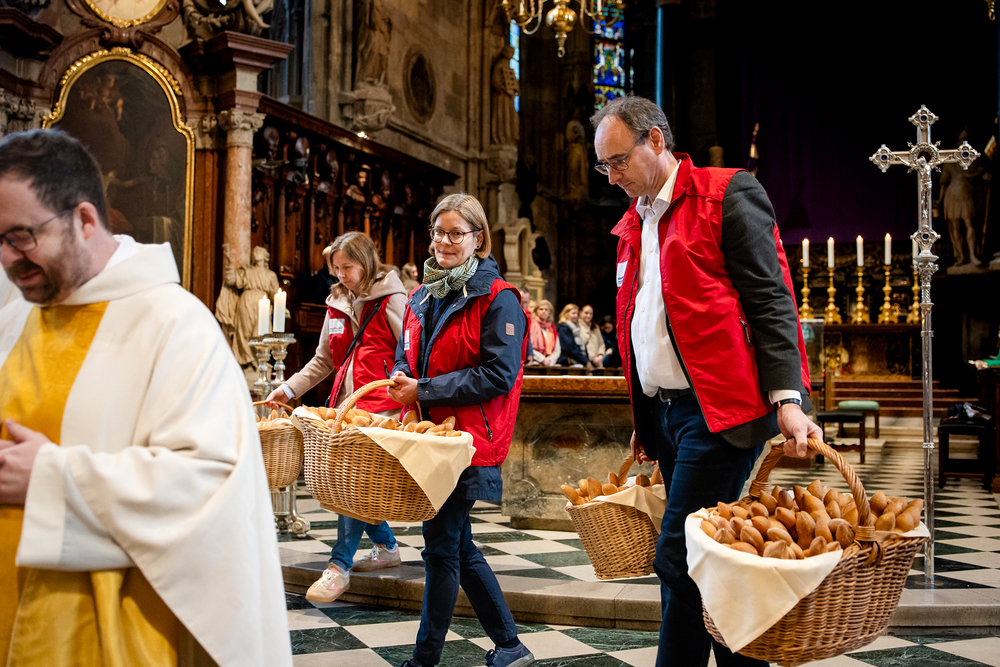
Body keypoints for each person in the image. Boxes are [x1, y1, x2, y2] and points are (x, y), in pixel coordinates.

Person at [0, 129, 290, 666]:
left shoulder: (174, 325)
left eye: (21, 236)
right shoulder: (16, 317)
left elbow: (208, 484)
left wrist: (50, 478)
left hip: (109, 635)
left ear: (85, 220)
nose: (8, 258)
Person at [592, 96, 819, 667]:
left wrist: (788, 399)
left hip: (718, 411)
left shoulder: (726, 194)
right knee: (705, 561)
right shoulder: (634, 222)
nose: (612, 176)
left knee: (679, 556)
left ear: (656, 140)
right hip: (666, 415)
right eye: (604, 166)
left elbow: (771, 300)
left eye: (618, 161)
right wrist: (646, 415)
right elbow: (641, 320)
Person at [386, 193, 533, 667]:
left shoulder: (498, 298)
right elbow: (405, 354)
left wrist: (424, 388)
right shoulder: (420, 295)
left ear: (478, 238)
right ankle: (510, 646)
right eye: (438, 232)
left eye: (455, 233)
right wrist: (402, 377)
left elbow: (498, 375)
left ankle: (424, 659)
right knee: (456, 544)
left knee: (441, 547)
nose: (444, 242)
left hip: (466, 443)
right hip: (427, 440)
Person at [265, 231, 406, 603]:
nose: (340, 275)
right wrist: (288, 390)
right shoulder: (337, 302)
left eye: (347, 267)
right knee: (354, 486)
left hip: (383, 408)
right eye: (336, 268)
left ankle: (339, 566)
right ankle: (386, 547)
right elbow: (323, 361)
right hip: (347, 408)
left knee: (354, 485)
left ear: (367, 262)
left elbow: (411, 353)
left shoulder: (392, 297)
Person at [556, 303, 590, 368]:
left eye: (577, 314)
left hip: (579, 361)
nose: (576, 316)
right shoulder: (563, 328)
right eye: (573, 313)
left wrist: (586, 359)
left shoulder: (576, 328)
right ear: (566, 314)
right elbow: (569, 348)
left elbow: (581, 346)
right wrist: (584, 361)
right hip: (567, 363)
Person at [529, 299, 560, 366]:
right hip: (535, 362)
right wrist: (542, 359)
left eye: (546, 310)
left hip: (549, 363)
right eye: (541, 309)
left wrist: (550, 359)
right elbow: (529, 345)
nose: (544, 311)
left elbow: (557, 349)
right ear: (536, 311)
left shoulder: (552, 329)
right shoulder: (531, 325)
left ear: (550, 312)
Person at [578, 304, 606, 368]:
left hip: (597, 361)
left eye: (591, 314)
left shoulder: (595, 327)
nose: (589, 316)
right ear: (580, 313)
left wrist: (600, 355)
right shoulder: (577, 326)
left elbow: (601, 343)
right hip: (584, 362)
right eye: (586, 313)